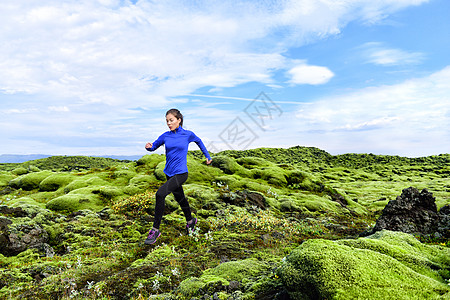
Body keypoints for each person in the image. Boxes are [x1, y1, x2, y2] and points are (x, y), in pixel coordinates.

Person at [144, 108, 212, 245]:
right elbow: (154, 146)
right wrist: (148, 147)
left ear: (179, 120)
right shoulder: (165, 136)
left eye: (171, 120)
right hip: (169, 173)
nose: (169, 123)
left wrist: (207, 156)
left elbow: (199, 141)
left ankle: (155, 229)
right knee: (180, 198)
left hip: (181, 173)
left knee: (160, 194)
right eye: (167, 121)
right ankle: (190, 221)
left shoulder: (188, 134)